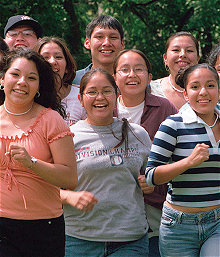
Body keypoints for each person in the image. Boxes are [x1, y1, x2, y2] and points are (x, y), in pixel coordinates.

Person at [61, 68, 152, 257]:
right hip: (79, 240)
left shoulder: (138, 134)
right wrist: (69, 197)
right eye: (92, 92)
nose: (99, 97)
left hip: (130, 239)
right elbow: (44, 187)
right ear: (80, 99)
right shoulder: (68, 137)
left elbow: (152, 176)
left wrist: (149, 183)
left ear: (117, 95)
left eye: (107, 91)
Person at [0, 48, 77, 257]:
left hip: (44, 229)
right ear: (2, 79)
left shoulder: (51, 120)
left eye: (31, 78)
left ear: (39, 87)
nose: (22, 82)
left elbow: (70, 178)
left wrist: (31, 161)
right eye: (15, 74)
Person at [146, 63, 220, 257]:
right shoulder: (173, 125)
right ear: (186, 94)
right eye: (195, 87)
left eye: (210, 85)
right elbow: (151, 177)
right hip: (178, 226)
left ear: (219, 91)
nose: (203, 92)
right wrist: (188, 162)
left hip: (217, 221)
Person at [113, 49, 178, 257]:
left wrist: (155, 182)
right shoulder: (104, 106)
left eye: (139, 69)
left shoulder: (165, 108)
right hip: (113, 212)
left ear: (150, 77)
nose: (132, 75)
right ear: (114, 77)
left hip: (156, 213)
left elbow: (180, 156)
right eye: (124, 70)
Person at [34, 36, 86, 125]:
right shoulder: (29, 97)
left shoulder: (83, 96)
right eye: (45, 57)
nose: (52, 61)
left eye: (58, 57)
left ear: (67, 67)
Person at [150, 31, 200, 110]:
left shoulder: (208, 90)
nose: (182, 54)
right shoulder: (150, 90)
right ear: (165, 58)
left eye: (189, 50)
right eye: (176, 50)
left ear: (198, 58)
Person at [73, 14, 125, 85]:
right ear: (87, 43)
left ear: (122, 44)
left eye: (113, 37)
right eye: (99, 37)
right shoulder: (73, 81)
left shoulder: (131, 82)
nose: (107, 43)